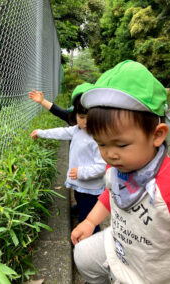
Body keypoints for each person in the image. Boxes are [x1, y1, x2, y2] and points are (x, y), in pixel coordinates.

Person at [71, 60, 170, 284]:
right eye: (102, 144)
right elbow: (111, 194)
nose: (110, 155)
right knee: (82, 255)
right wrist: (89, 222)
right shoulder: (116, 169)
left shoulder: (166, 183)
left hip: (152, 268)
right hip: (121, 245)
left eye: (121, 145)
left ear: (157, 135)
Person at [30, 86, 106, 232]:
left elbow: (102, 166)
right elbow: (61, 132)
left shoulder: (98, 137)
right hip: (80, 184)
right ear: (76, 115)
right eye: (81, 117)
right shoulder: (77, 130)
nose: (85, 122)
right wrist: (41, 132)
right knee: (80, 199)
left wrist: (82, 172)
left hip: (91, 188)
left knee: (89, 220)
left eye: (90, 118)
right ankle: (80, 210)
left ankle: (91, 244)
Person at [29, 82, 93, 125]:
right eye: (82, 117)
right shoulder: (73, 118)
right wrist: (42, 101)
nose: (86, 122)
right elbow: (58, 111)